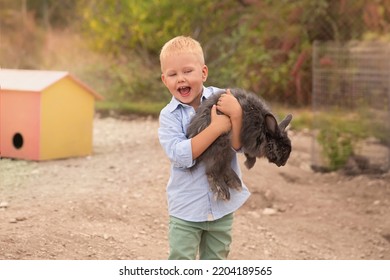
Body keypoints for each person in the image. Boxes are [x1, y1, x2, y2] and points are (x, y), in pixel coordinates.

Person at [158, 35, 250, 260]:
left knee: (216, 262)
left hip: (221, 207)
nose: (181, 79)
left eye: (187, 71)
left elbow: (238, 147)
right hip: (186, 210)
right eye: (173, 74)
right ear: (164, 80)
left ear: (203, 73)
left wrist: (237, 114)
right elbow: (181, 156)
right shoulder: (168, 116)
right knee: (182, 261)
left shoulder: (224, 101)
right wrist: (216, 128)